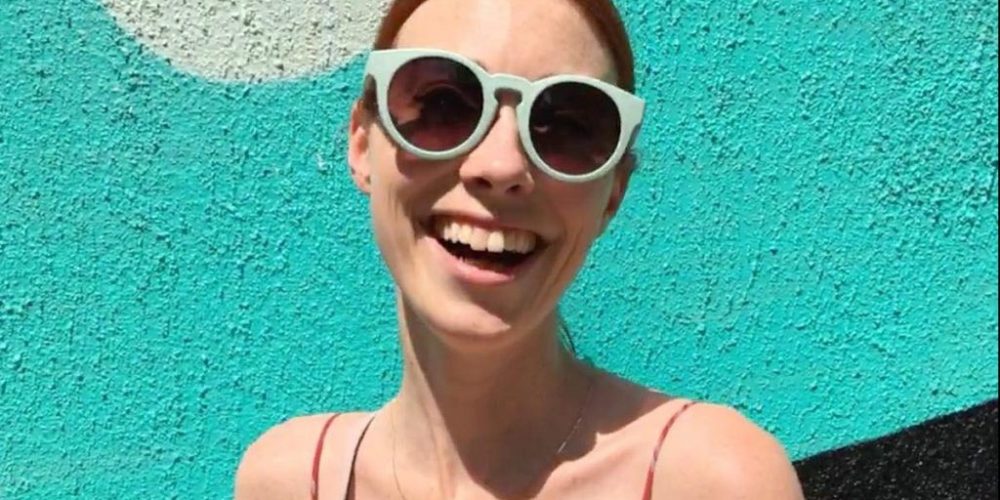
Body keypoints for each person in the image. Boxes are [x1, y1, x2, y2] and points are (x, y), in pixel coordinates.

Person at [235, 0, 805, 498]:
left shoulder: (711, 481)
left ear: (613, 193)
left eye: (568, 126)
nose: (501, 165)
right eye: (443, 105)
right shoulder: (293, 483)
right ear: (363, 144)